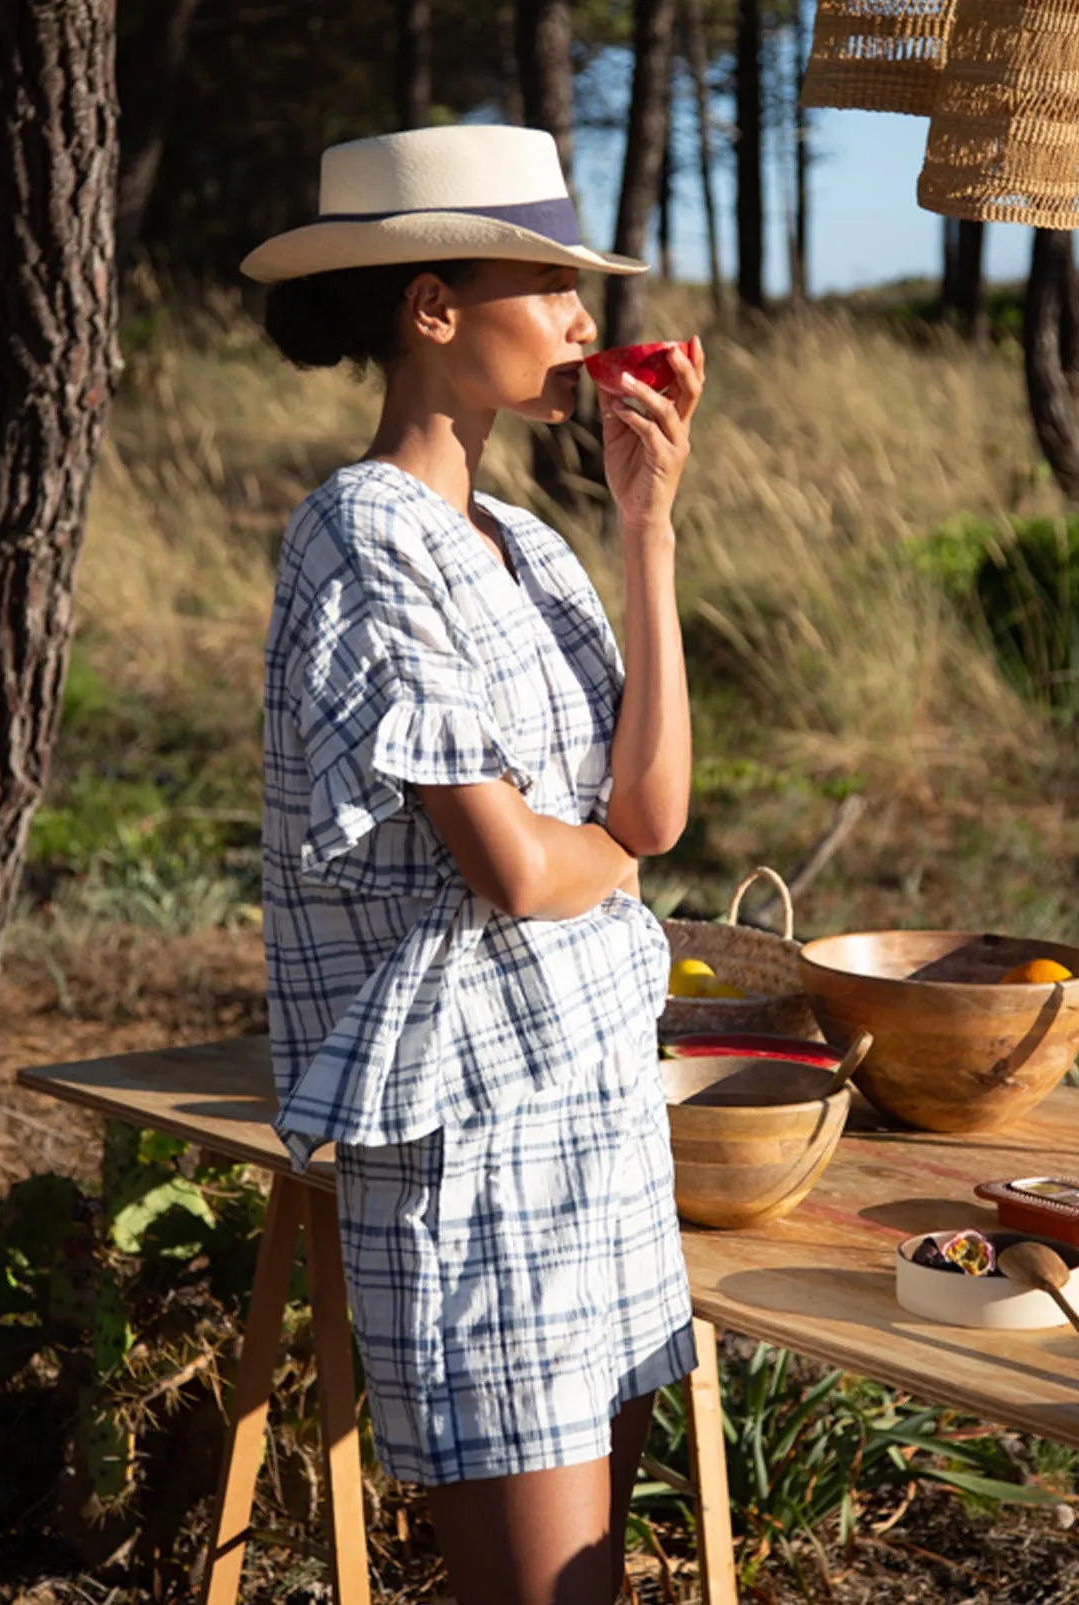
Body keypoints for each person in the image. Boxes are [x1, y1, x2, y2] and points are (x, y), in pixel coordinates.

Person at [244, 123, 706, 1605]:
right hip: (479, 1140)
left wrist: (649, 530)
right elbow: (514, 869)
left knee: (593, 1579)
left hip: (592, 1108)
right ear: (432, 306)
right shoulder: (362, 529)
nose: (587, 322)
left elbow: (653, 812)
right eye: (550, 284)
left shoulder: (523, 539)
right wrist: (609, 872)